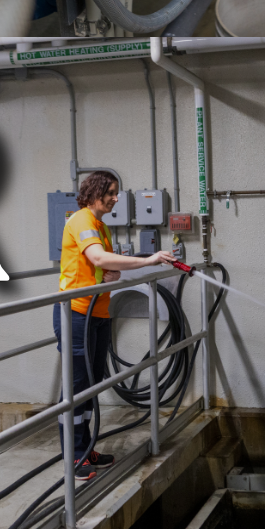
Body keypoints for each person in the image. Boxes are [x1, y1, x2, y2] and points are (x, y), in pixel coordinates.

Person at [56, 171, 177, 482]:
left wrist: (111, 273)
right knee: (76, 387)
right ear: (96, 192)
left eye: (116, 193)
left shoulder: (101, 227)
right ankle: (73, 457)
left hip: (97, 312)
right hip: (78, 313)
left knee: (92, 383)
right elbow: (97, 257)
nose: (115, 198)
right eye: (111, 192)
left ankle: (84, 447)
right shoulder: (82, 221)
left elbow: (104, 266)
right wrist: (148, 261)